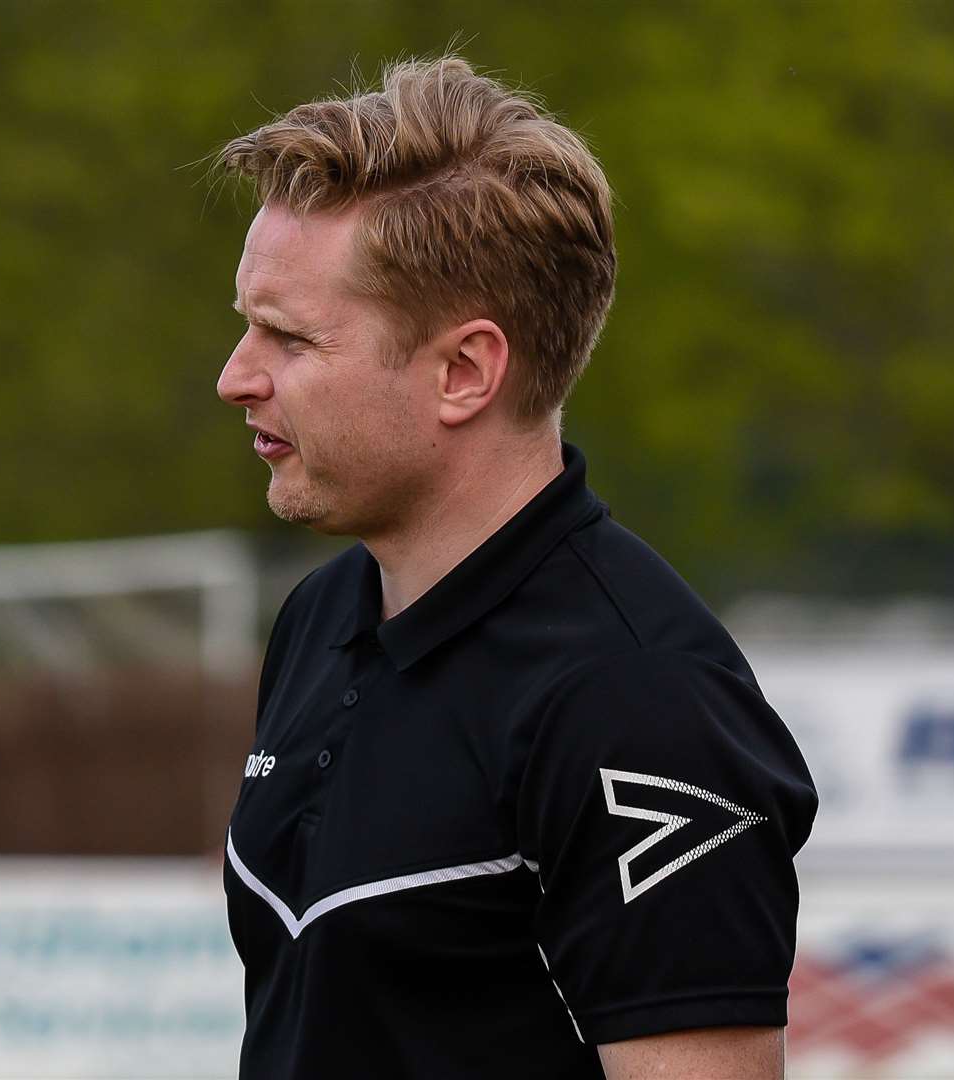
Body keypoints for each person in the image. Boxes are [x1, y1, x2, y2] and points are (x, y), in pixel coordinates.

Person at [215, 55, 817, 1080]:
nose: (236, 377)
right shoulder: (322, 617)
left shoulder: (639, 703)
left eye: (289, 337)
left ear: (464, 371)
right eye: (245, 324)